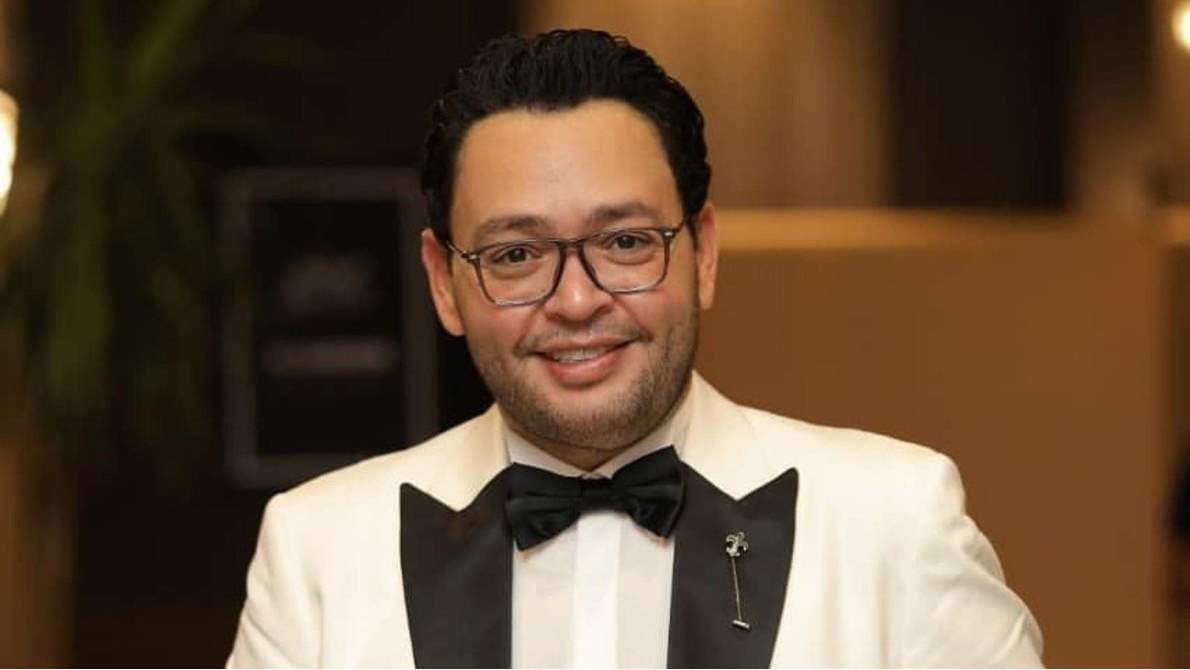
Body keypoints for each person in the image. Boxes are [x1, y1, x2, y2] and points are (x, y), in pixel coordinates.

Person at [227, 29, 1042, 668]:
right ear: (445, 282)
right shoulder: (319, 552)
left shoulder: (894, 522)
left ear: (704, 252)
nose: (577, 301)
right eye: (517, 254)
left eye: (624, 241)